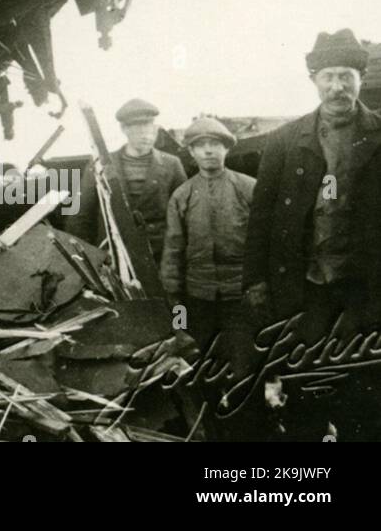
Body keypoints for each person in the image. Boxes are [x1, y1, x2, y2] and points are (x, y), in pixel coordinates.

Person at [243, 28, 381, 438]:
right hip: (305, 286)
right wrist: (255, 280)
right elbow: (262, 215)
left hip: (365, 287)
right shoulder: (286, 140)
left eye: (346, 75)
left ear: (360, 76)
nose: (337, 86)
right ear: (314, 80)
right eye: (328, 76)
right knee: (305, 383)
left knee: (366, 386)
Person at [161, 117, 257, 406]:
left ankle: (246, 422)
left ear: (226, 149)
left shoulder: (248, 188)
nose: (208, 151)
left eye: (215, 144)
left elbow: (262, 243)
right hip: (198, 298)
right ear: (191, 153)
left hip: (240, 297)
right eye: (200, 146)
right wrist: (175, 303)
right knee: (203, 366)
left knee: (245, 367)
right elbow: (173, 250)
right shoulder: (182, 195)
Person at [72, 98, 186, 264]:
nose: (145, 133)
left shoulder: (172, 164)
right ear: (124, 129)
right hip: (115, 256)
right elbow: (81, 217)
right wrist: (90, 259)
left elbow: (184, 214)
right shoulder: (100, 164)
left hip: (162, 256)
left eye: (149, 125)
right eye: (138, 127)